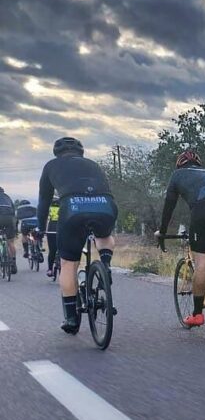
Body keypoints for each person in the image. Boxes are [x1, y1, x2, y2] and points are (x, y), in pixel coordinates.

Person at [36, 137, 118, 334]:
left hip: (73, 209)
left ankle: (71, 318)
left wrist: (40, 227)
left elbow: (44, 202)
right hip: (105, 206)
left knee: (68, 264)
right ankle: (105, 265)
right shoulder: (92, 164)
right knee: (104, 234)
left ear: (57, 152)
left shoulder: (51, 166)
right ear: (81, 151)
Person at [155, 150, 205, 327]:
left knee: (202, 263)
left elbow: (169, 206)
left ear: (179, 164)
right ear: (198, 164)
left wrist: (162, 232)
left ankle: (197, 314)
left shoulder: (177, 175)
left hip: (204, 210)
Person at [0, 187, 17, 273]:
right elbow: (14, 211)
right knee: (10, 242)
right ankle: (13, 262)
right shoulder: (7, 197)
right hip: (10, 219)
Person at [45, 195, 61, 277]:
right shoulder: (63, 206)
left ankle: (50, 269)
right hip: (61, 230)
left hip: (50, 230)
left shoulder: (48, 207)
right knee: (62, 250)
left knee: (52, 251)